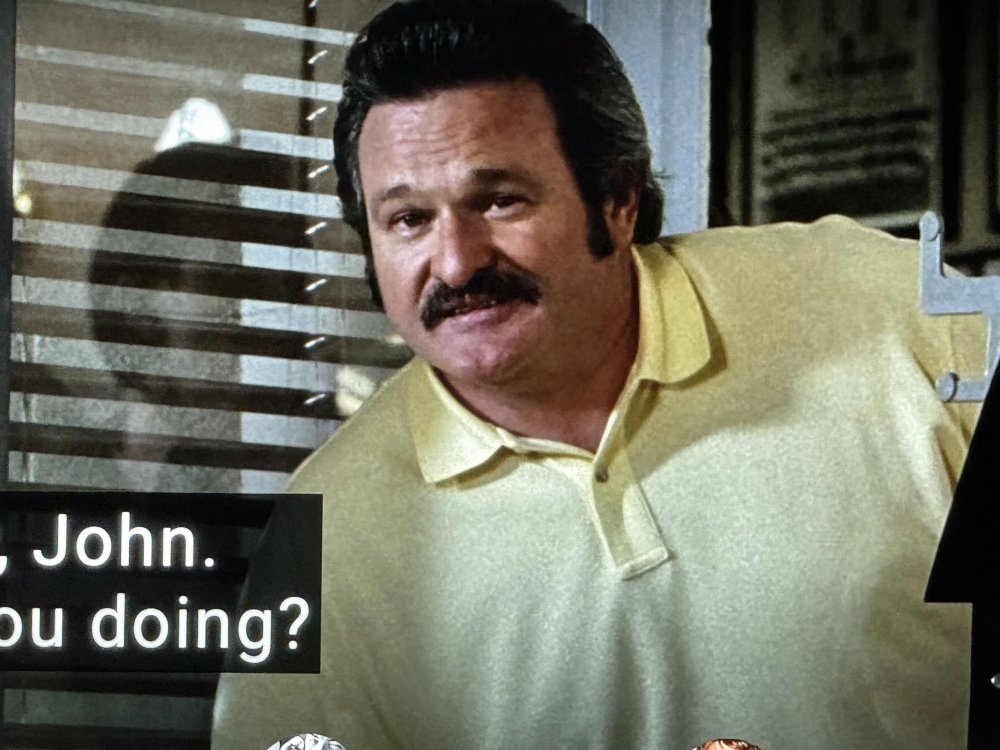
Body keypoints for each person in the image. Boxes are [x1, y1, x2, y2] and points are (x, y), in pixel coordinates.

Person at [212, 1, 985, 748]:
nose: (455, 263)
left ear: (617, 200)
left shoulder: (888, 310)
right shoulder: (329, 531)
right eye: (409, 219)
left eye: (499, 201)